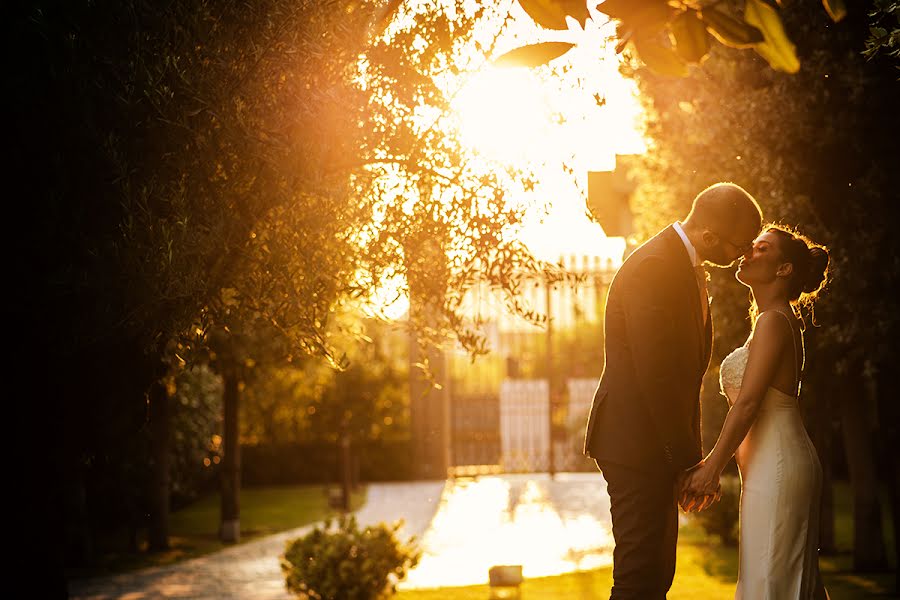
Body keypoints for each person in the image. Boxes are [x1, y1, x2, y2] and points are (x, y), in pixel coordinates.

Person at [583, 182, 763, 599]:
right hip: (633, 445)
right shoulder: (655, 267)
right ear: (710, 236)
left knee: (656, 574)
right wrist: (687, 463)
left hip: (649, 447)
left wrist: (689, 460)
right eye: (741, 244)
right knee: (639, 575)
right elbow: (657, 377)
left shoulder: (681, 265)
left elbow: (681, 377)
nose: (744, 253)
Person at [681, 225, 831, 599]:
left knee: (770, 583)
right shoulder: (771, 320)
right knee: (771, 579)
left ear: (784, 270)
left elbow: (748, 404)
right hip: (771, 466)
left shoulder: (774, 321)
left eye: (761, 248)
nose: (748, 251)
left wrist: (710, 469)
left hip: (779, 467)